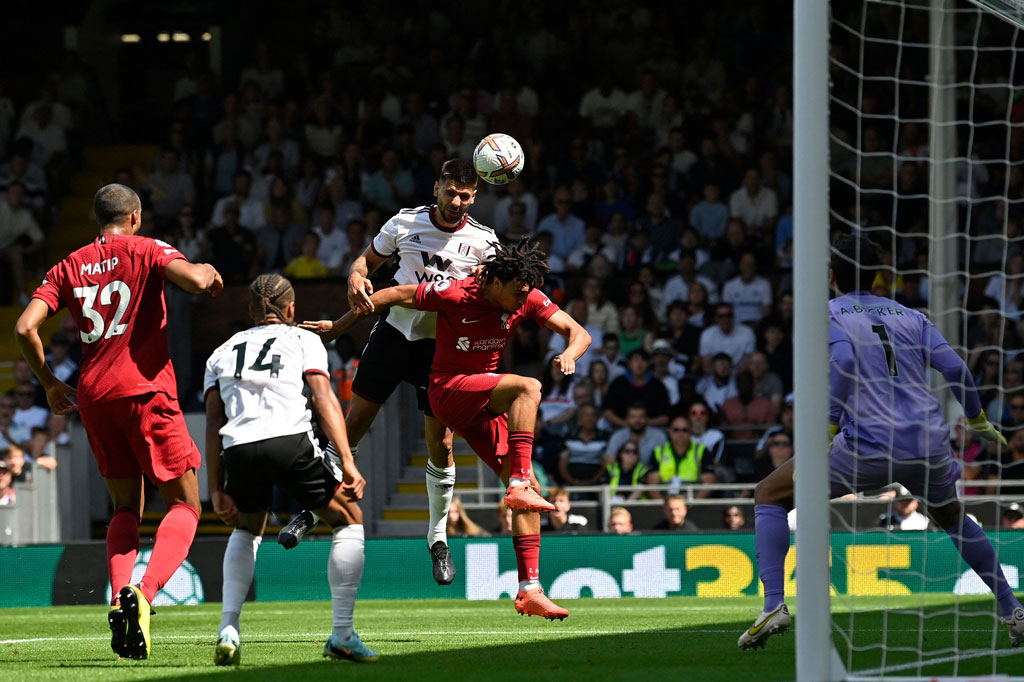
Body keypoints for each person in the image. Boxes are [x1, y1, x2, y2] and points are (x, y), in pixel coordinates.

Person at [740, 236, 1024, 651]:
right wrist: (977, 419)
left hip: (867, 446)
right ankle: (1013, 610)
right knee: (953, 519)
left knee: (770, 493)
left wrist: (829, 429)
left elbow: (846, 362)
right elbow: (957, 367)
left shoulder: (828, 313)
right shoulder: (912, 315)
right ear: (878, 276)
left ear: (831, 275)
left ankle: (774, 605)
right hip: (927, 444)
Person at [307, 237, 591, 620]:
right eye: (517, 292)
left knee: (532, 493)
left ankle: (530, 589)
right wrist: (339, 326)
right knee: (529, 387)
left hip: (483, 401)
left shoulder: (524, 296)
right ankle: (519, 481)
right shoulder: (457, 293)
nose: (523, 298)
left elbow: (579, 333)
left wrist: (569, 354)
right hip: (448, 392)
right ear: (494, 283)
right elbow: (391, 294)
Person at [14, 183, 223, 660]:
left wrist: (48, 381)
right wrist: (208, 273)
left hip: (95, 397)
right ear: (135, 217)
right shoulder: (147, 248)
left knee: (125, 506)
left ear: (97, 219)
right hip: (146, 391)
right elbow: (192, 281)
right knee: (186, 503)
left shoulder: (69, 264)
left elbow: (25, 327)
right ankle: (144, 596)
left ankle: (117, 597)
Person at [277, 159, 496, 588]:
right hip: (393, 334)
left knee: (442, 443)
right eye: (450, 192)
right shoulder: (404, 223)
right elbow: (364, 264)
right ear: (437, 188)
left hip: (440, 350)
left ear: (474, 197)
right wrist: (355, 279)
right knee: (353, 424)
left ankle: (437, 539)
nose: (456, 201)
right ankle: (313, 507)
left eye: (465, 196)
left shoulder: (485, 243)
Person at [203, 274, 376, 666]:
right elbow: (323, 398)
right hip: (290, 441)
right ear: (292, 310)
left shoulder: (221, 351)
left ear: (250, 312)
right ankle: (343, 635)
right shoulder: (304, 339)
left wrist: (215, 488)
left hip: (239, 449)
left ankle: (228, 628)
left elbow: (213, 424)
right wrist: (347, 461)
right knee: (348, 518)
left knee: (247, 528)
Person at [647, 415, 716, 499]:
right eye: (676, 430)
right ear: (670, 431)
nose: (680, 434)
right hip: (665, 498)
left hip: (693, 498)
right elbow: (652, 485)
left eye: (685, 430)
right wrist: (665, 507)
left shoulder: (702, 451)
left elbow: (708, 483)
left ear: (691, 432)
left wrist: (693, 505)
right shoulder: (658, 451)